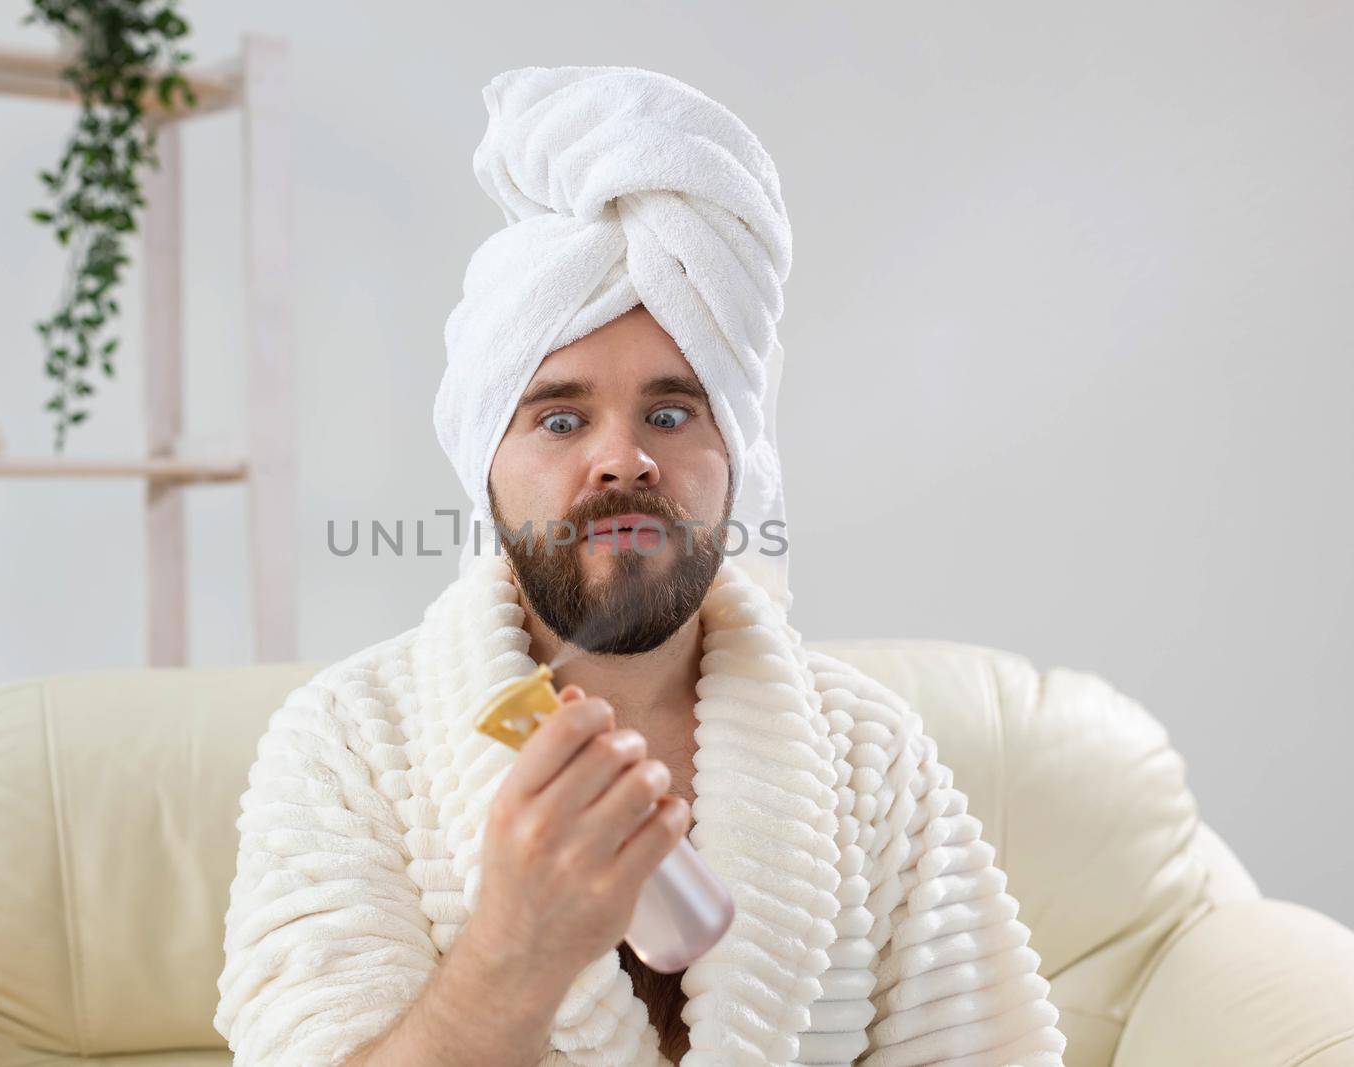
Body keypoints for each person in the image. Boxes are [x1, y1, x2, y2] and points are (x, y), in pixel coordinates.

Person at [213, 65, 1067, 1067]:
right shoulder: (350, 746)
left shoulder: (868, 755)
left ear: (735, 463)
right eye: (561, 417)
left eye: (670, 413)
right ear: (482, 464)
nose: (623, 457)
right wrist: (516, 947)